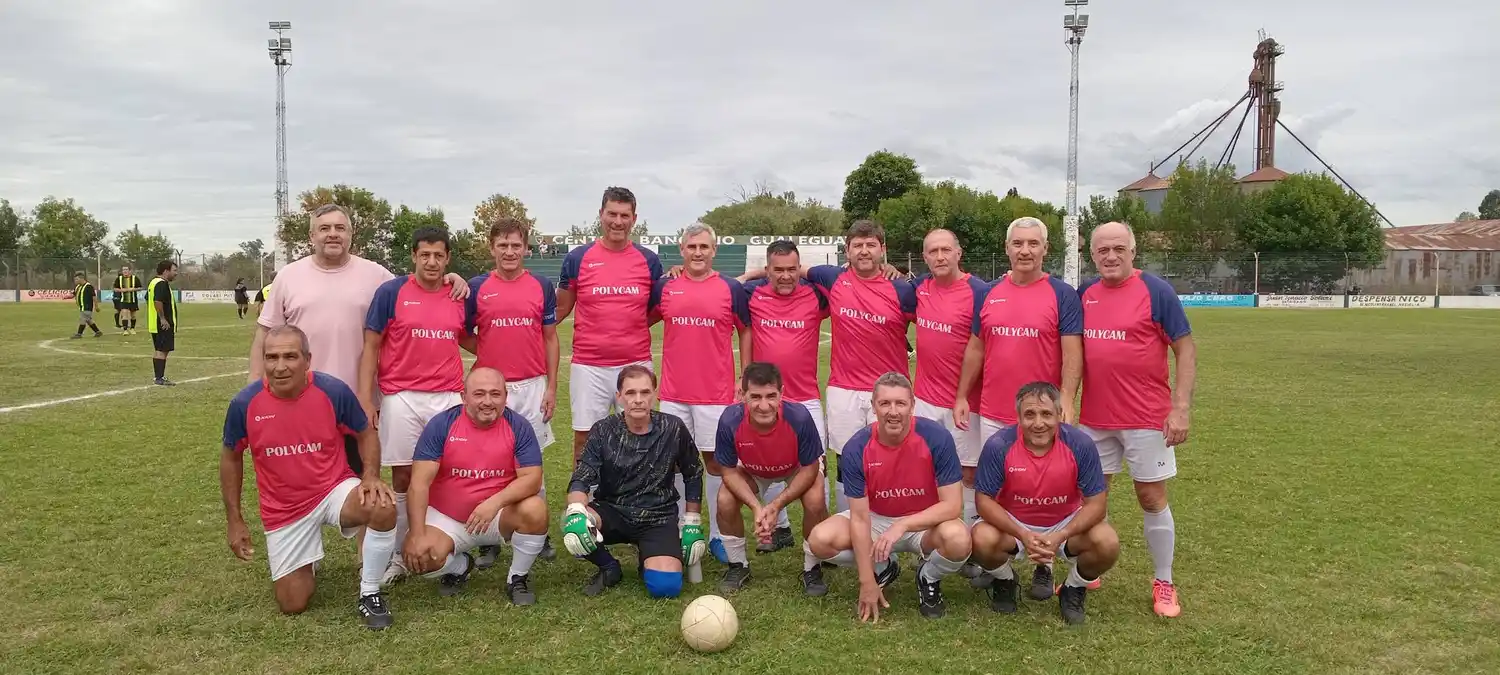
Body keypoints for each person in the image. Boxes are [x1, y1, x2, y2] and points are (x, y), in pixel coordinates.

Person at [252, 204, 468, 477]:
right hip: (300, 397)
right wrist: (255, 385)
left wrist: (451, 278)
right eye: (325, 228)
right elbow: (264, 333)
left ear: (350, 235)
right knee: (299, 477)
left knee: (362, 484)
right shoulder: (288, 276)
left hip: (355, 402)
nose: (333, 234)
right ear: (311, 236)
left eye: (340, 228)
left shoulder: (376, 275)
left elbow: (421, 288)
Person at [219, 324, 399, 630]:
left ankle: (370, 591)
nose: (280, 366)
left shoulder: (332, 390)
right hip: (284, 508)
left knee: (381, 506)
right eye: (271, 357)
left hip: (333, 490)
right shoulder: (244, 404)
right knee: (293, 603)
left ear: (308, 359)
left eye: (290, 356)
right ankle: (306, 560)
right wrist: (234, 519)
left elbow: (365, 432)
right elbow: (231, 457)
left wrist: (370, 475)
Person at [744, 221, 915, 513]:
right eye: (857, 245)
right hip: (843, 389)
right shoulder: (833, 278)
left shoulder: (902, 289)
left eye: (871, 245)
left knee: (892, 458)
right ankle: (846, 527)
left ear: (882, 250)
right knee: (845, 459)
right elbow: (790, 268)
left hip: (889, 391)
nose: (864, 251)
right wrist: (751, 274)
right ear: (847, 250)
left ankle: (890, 527)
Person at [954, 216, 1082, 598]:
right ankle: (1000, 567)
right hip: (994, 411)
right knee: (994, 491)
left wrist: (1067, 399)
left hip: (1042, 415)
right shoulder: (989, 293)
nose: (1025, 251)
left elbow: (1072, 350)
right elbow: (976, 347)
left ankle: (1043, 564)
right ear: (1007, 248)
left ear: (1045, 249)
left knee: (1043, 488)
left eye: (1033, 243)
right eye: (1018, 243)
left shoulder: (1062, 294)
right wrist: (962, 394)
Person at [1077, 221, 1197, 618]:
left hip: (1147, 417)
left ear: (1133, 251)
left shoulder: (1156, 291)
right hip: (1095, 418)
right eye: (1102, 250)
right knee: (1093, 499)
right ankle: (1088, 569)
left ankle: (1163, 579)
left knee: (1151, 497)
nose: (1110, 257)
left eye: (1118, 249)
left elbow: (1185, 348)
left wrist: (1180, 407)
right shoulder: (1086, 294)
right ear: (1092, 255)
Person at [358, 227, 474, 585]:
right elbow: (372, 347)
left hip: (448, 396)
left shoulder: (457, 293)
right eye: (425, 254)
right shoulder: (391, 292)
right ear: (413, 256)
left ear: (448, 258)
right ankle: (400, 551)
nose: (432, 262)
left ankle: (448, 543)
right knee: (404, 477)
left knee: (446, 474)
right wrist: (365, 398)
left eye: (439, 255)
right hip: (401, 396)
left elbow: (469, 337)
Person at [805, 372, 970, 621]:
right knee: (819, 540)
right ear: (874, 407)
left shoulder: (936, 437)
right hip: (875, 519)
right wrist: (866, 580)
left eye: (900, 403)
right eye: (885, 403)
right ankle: (883, 567)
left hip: (923, 524)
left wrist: (903, 525)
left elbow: (952, 506)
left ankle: (928, 576)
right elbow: (860, 518)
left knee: (959, 540)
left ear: (912, 405)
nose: (893, 411)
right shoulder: (856, 448)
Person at [971, 381, 1118, 625]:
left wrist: (1062, 534)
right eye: (1030, 414)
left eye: (1046, 414)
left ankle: (1073, 589)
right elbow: (983, 500)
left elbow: (1097, 503)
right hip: (1015, 523)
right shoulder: (999, 445)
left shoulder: (1080, 444)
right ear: (1018, 417)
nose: (1038, 423)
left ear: (1060, 415)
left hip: (1065, 522)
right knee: (980, 539)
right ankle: (1005, 580)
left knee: (1107, 542)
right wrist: (1022, 533)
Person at [402, 367, 550, 606]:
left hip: (496, 516)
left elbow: (532, 478)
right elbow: (419, 484)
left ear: (505, 396)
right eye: (479, 394)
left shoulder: (519, 426)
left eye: (495, 394)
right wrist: (417, 534)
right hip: (447, 517)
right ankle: (461, 566)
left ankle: (517, 577)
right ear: (464, 397)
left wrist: (494, 503)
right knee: (420, 559)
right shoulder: (442, 425)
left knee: (535, 509)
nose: (488, 402)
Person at [648, 222, 751, 564]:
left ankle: (719, 535)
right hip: (675, 393)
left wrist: (745, 374)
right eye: (691, 247)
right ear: (682, 250)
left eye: (704, 247)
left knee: (716, 464)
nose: (697, 253)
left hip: (716, 394)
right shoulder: (667, 287)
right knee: (673, 464)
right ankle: (678, 530)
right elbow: (642, 319)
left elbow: (745, 330)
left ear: (714, 251)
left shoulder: (730, 288)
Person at [559, 365, 704, 599]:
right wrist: (576, 509)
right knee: (573, 524)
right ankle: (608, 566)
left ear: (655, 395)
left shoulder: (673, 427)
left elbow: (693, 472)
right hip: (612, 510)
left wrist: (692, 521)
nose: (638, 400)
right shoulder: (603, 430)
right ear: (619, 397)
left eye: (645, 392)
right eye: (630, 393)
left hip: (658, 515)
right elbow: (582, 475)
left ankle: (648, 557)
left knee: (665, 587)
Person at [466, 216, 561, 566]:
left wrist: (551, 386)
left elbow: (550, 338)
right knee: (488, 459)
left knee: (530, 460)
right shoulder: (477, 287)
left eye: (516, 245)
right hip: (491, 389)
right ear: (492, 247)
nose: (509, 251)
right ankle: (489, 536)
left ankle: (538, 531)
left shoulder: (540, 285)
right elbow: (462, 332)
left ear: (526, 247)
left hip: (531, 385)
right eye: (502, 245)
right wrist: (489, 352)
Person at [556, 187, 663, 465]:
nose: (618, 221)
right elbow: (560, 309)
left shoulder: (649, 261)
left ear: (634, 218)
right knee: (586, 438)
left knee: (641, 434)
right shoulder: (577, 258)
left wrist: (629, 327)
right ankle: (582, 502)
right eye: (612, 214)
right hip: (589, 365)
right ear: (600, 215)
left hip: (635, 363)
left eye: (624, 215)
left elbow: (655, 309)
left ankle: (640, 503)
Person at [741, 240, 829, 553]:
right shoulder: (753, 296)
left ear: (800, 267)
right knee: (764, 458)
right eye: (778, 270)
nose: (786, 276)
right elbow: (728, 288)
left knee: (817, 468)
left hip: (805, 396)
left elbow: (842, 280)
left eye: (792, 269)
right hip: (765, 396)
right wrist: (750, 275)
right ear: (767, 271)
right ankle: (779, 529)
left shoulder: (816, 296)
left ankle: (824, 536)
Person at [712, 363, 829, 595]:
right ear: (743, 394)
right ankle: (738, 565)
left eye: (771, 396)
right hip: (753, 469)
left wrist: (776, 505)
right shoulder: (729, 420)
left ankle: (812, 569)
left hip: (794, 468)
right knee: (725, 499)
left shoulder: (799, 417)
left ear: (781, 394)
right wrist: (757, 507)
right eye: (755, 397)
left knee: (816, 498)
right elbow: (727, 471)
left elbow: (810, 468)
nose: (764, 406)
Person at [909, 230, 989, 527]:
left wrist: (963, 395)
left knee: (968, 473)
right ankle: (931, 537)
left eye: (946, 250)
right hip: (925, 400)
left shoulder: (980, 292)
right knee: (926, 470)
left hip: (967, 401)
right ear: (925, 257)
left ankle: (969, 539)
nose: (940, 257)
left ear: (959, 253)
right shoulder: (918, 289)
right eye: (933, 251)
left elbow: (980, 347)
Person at [147, 260, 178, 386]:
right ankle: (159, 378)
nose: (176, 273)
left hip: (155, 323)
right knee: (161, 350)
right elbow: (157, 301)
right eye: (174, 270)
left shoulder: (153, 282)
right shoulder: (161, 284)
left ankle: (159, 377)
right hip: (162, 323)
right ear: (166, 271)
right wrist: (162, 318)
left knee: (161, 349)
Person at [71, 272, 103, 339]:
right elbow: (73, 294)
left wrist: (96, 306)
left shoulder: (89, 286)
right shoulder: (78, 287)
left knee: (82, 319)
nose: (75, 281)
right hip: (81, 307)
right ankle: (98, 332)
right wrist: (67, 297)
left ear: (81, 278)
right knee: (88, 320)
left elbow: (94, 297)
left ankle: (79, 334)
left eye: (76, 279)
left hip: (87, 306)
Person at [112, 265, 143, 334]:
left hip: (133, 300)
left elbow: (140, 288)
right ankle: (125, 330)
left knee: (133, 316)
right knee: (124, 314)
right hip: (123, 300)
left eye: (126, 269)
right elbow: (115, 288)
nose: (125, 271)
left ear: (130, 271)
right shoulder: (119, 279)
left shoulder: (135, 278)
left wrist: (133, 289)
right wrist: (121, 290)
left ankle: (132, 328)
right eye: (123, 270)